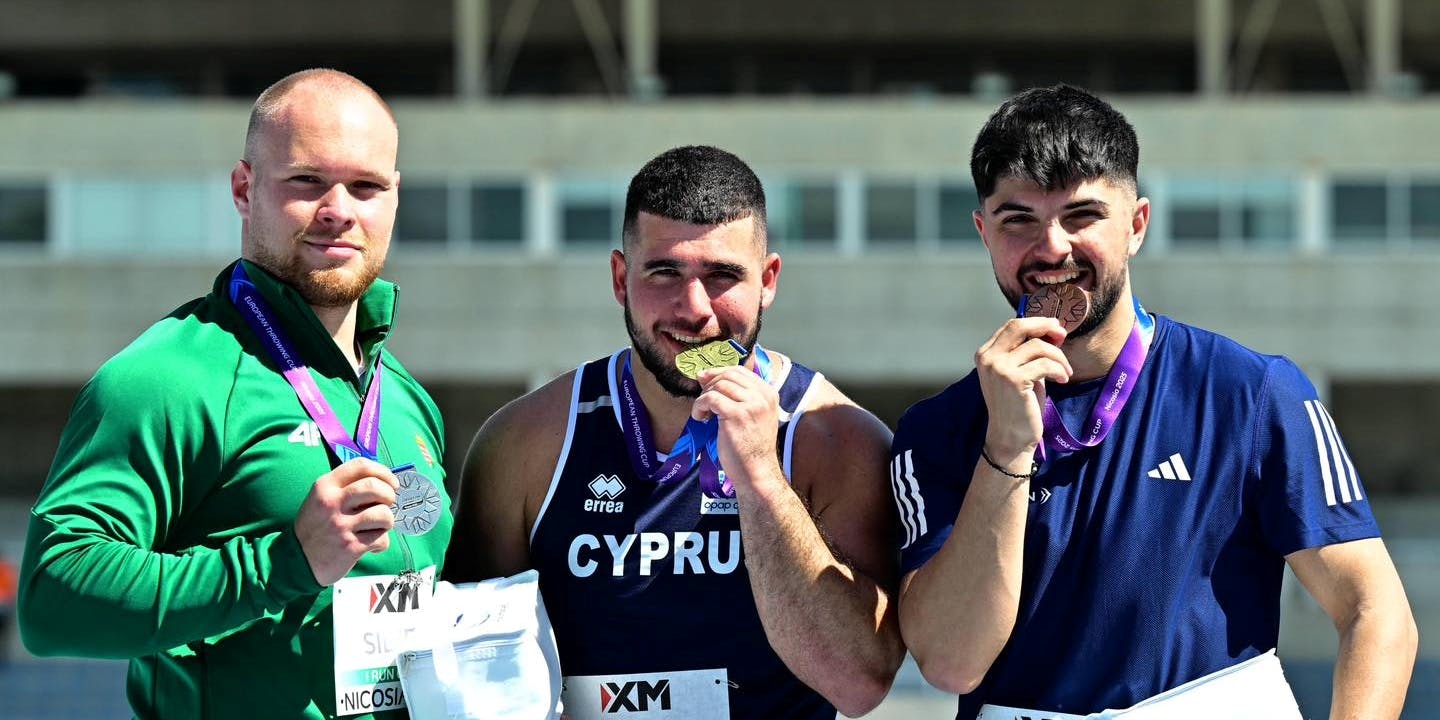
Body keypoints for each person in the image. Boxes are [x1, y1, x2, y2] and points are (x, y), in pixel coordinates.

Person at [891, 84, 1418, 719]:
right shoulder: (938, 430)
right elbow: (951, 663)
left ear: (1136, 225)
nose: (1052, 247)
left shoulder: (1251, 393)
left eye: (1082, 215)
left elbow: (1374, 611)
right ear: (984, 232)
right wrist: (1004, 448)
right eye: (1018, 220)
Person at [19, 69, 452, 719]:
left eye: (366, 186)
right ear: (244, 190)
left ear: (394, 198)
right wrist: (283, 562)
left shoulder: (406, 398)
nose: (339, 209)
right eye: (306, 181)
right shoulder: (165, 378)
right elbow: (52, 600)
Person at [445, 145, 904, 719]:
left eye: (722, 275)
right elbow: (468, 678)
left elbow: (859, 686)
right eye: (665, 272)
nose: (694, 309)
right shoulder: (526, 441)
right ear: (621, 279)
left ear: (768, 280)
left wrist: (763, 479)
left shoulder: (836, 439)